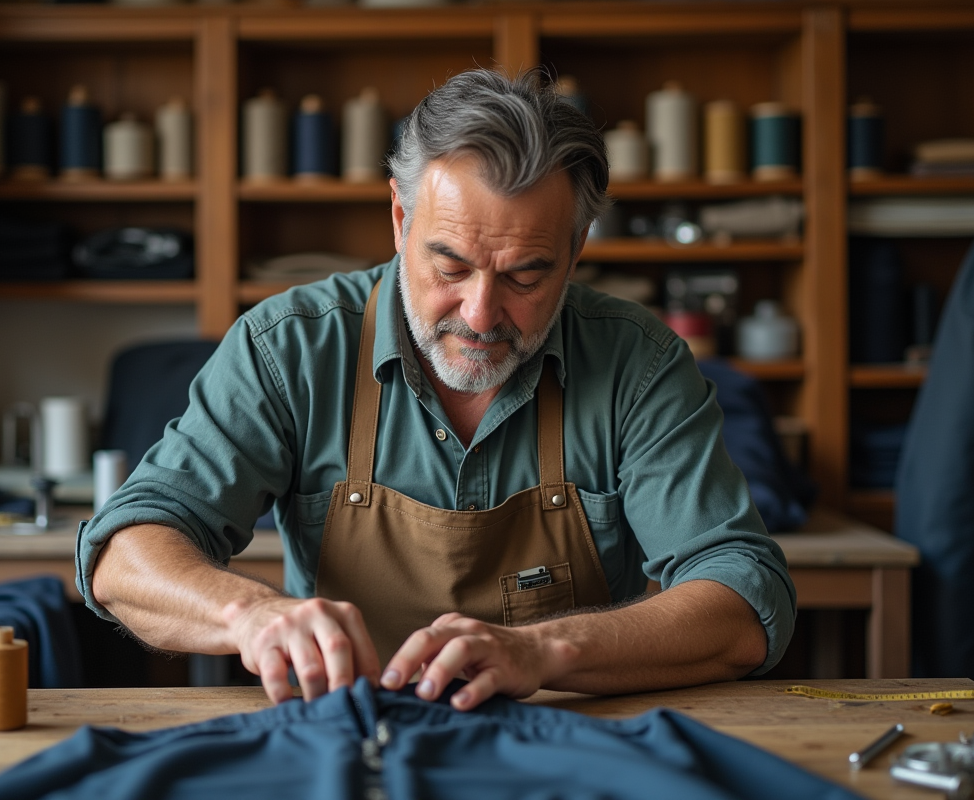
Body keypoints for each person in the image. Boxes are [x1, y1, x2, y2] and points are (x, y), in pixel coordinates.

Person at [78, 69, 795, 711]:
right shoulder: (290, 348)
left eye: (525, 275)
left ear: (576, 251)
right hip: (349, 739)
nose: (481, 315)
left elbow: (742, 598)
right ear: (399, 218)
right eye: (449, 266)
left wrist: (544, 653)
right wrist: (252, 616)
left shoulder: (638, 364)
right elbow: (124, 555)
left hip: (564, 734)